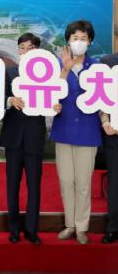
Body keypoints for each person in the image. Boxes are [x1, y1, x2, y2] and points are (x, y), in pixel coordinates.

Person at [1, 33, 60, 245]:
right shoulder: (9, 72)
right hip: (13, 136)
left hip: (35, 136)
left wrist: (56, 106)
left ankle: (31, 229)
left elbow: (55, 98)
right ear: (18, 50)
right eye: (23, 47)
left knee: (34, 185)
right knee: (12, 184)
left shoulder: (46, 74)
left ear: (38, 51)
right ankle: (14, 229)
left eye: (31, 48)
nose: (26, 51)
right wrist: (10, 100)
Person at [51, 20, 102, 245]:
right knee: (66, 181)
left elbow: (104, 101)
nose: (79, 42)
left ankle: (82, 227)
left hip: (88, 131)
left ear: (90, 41)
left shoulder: (97, 67)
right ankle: (69, 224)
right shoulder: (58, 65)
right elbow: (52, 94)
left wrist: (106, 121)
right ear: (68, 41)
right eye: (75, 38)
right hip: (63, 130)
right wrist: (65, 70)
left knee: (83, 183)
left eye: (83, 38)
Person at [100, 50, 118, 244]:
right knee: (115, 182)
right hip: (114, 133)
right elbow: (101, 95)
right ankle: (113, 228)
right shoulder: (108, 62)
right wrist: (105, 121)